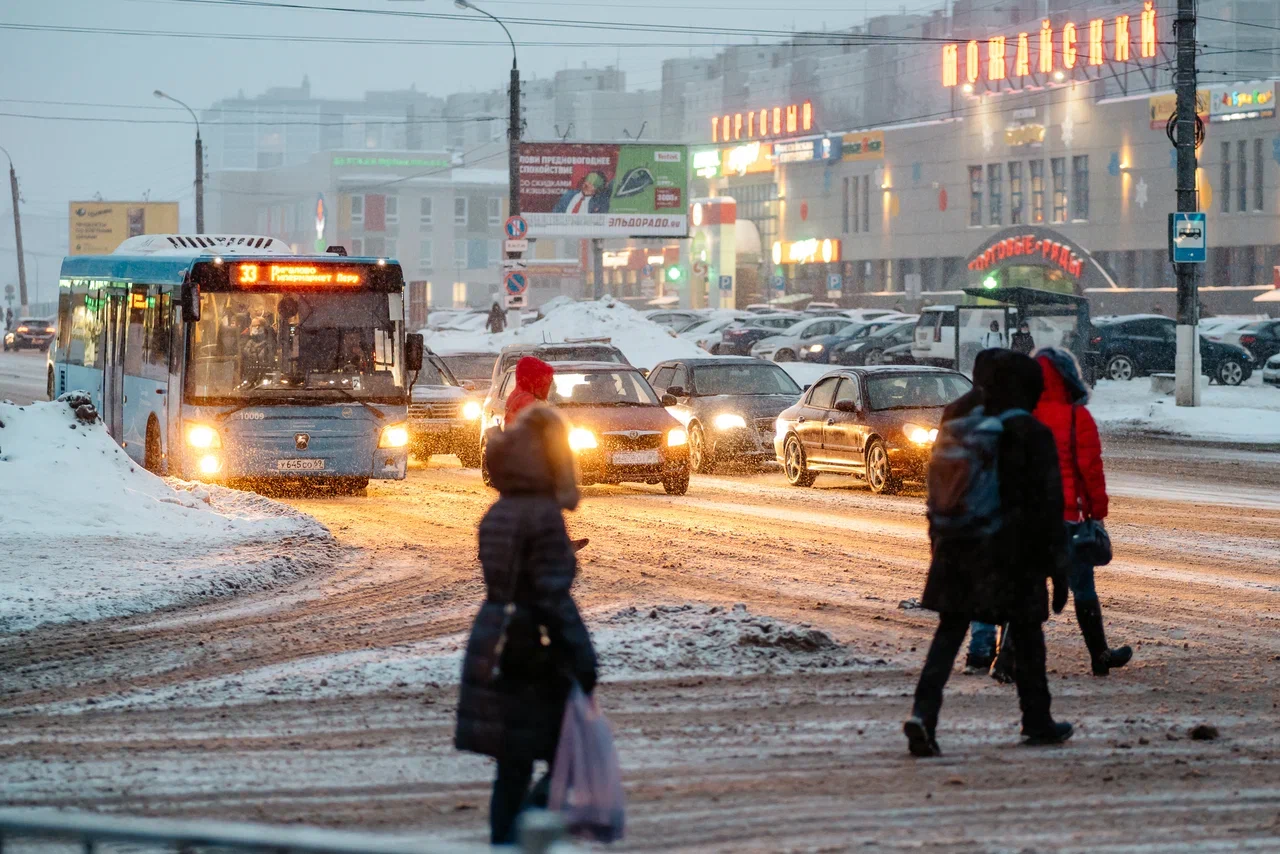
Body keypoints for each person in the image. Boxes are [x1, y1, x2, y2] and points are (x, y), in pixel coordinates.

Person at [904, 349, 1073, 756]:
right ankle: (1037, 720)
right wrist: (1058, 567)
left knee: (948, 633)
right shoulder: (1031, 432)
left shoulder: (959, 420)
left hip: (958, 545)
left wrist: (938, 543)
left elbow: (941, 488)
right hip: (1013, 553)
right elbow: (1048, 507)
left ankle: (923, 715)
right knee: (1029, 636)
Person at [455, 404, 598, 845]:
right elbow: (552, 597)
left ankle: (505, 841)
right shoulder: (542, 517)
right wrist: (583, 658)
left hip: (494, 639)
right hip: (534, 650)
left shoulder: (498, 511)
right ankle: (529, 833)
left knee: (512, 763)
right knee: (566, 756)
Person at [1034, 347, 1132, 676]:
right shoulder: (1077, 417)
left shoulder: (1022, 414)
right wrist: (1097, 514)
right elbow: (1091, 471)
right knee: (1084, 588)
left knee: (1028, 589)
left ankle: (1006, 660)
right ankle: (1099, 654)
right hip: (1068, 520)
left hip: (1030, 520)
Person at [505, 356, 555, 422]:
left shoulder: (518, 393)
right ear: (536, 380)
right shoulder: (527, 399)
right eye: (545, 380)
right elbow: (534, 425)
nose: (547, 384)